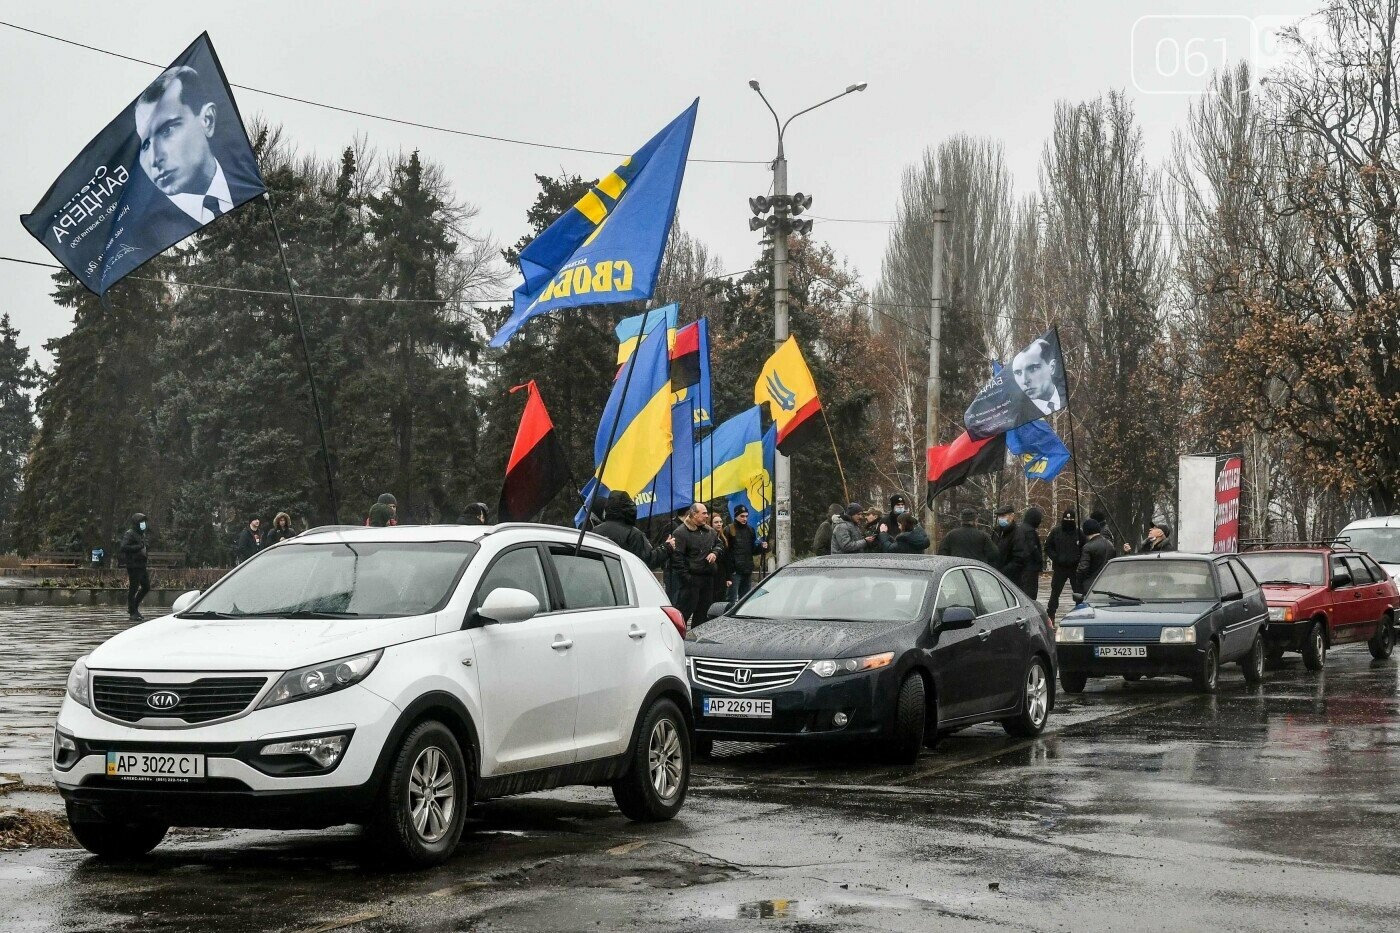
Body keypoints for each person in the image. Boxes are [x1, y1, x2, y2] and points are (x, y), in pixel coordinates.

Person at [133, 65, 262, 228]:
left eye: (167, 130)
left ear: (207, 120)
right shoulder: (152, 232)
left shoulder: (246, 179)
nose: (154, 159)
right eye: (145, 145)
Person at [666, 503, 724, 629]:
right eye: (703, 513)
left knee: (703, 615)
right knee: (684, 613)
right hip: (691, 581)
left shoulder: (710, 531)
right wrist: (687, 578)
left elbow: (719, 545)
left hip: (708, 579)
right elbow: (677, 558)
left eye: (707, 513)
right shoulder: (681, 532)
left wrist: (715, 552)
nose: (707, 516)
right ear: (694, 514)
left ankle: (698, 642)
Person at [1044, 508, 1085, 622]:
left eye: (1070, 519)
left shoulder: (1079, 533)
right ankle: (1050, 616)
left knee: (1078, 594)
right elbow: (1048, 547)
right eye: (1066, 519)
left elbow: (1084, 548)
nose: (1068, 521)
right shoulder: (1056, 532)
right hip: (1059, 568)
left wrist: (1078, 558)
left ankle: (1081, 615)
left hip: (1074, 569)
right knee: (1055, 594)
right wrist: (1056, 557)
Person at [593, 491, 655, 564]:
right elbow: (646, 562)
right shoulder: (633, 534)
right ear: (630, 509)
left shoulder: (595, 531)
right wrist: (666, 548)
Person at [995, 506, 1041, 597]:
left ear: (1012, 516)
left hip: (1012, 579)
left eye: (1003, 516)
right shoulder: (997, 532)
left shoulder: (1018, 533)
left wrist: (1002, 572)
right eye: (999, 516)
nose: (1001, 519)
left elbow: (1019, 558)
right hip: (998, 577)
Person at [726, 505, 767, 603]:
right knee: (731, 599)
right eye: (742, 516)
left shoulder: (750, 530)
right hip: (734, 571)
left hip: (747, 569)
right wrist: (729, 570)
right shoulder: (729, 529)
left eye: (746, 516)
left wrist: (762, 547)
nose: (744, 518)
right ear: (736, 516)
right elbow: (726, 552)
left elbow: (752, 550)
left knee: (745, 600)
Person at [1011, 338, 1063, 414]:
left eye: (1033, 368)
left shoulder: (1071, 395)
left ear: (1052, 367)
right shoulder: (1019, 415)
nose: (1024, 380)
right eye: (1018, 373)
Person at [119, 513, 151, 622]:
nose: (144, 525)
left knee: (146, 587)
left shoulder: (141, 534)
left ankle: (134, 608)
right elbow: (123, 547)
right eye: (141, 523)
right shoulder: (130, 533)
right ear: (136, 524)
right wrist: (138, 547)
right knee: (133, 588)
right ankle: (132, 611)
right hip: (133, 565)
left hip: (141, 564)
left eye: (144, 522)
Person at [1075, 519, 1116, 600]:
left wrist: (1078, 581)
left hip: (1091, 587)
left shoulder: (1088, 547)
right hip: (1108, 585)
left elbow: (1083, 569)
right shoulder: (1110, 545)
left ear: (1086, 531)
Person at [709, 514, 733, 609]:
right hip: (711, 573)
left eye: (720, 522)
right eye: (716, 522)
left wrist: (728, 577)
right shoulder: (708, 537)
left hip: (721, 574)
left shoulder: (723, 538)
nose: (719, 524)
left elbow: (727, 559)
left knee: (721, 599)